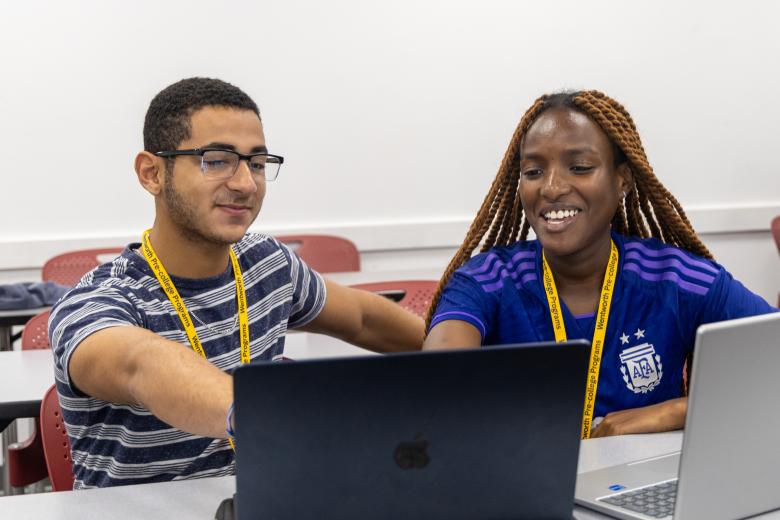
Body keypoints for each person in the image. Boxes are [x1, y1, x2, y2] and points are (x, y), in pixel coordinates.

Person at [49, 77, 425, 489]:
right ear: (152, 173)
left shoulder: (267, 264)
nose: (246, 183)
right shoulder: (98, 300)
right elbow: (141, 363)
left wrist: (467, 360)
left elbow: (364, 319)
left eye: (257, 163)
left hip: (256, 502)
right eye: (216, 160)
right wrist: (261, 416)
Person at [423, 90, 777, 439]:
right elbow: (434, 386)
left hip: (647, 476)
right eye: (533, 171)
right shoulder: (486, 280)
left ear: (622, 180)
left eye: (579, 167)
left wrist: (677, 410)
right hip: (521, 474)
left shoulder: (676, 278)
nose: (551, 187)